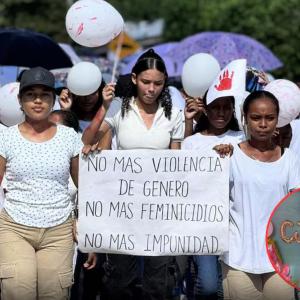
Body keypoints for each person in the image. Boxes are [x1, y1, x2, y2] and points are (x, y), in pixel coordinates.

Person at [82, 49, 200, 300]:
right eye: (146, 82)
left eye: (158, 83)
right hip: (122, 207)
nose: (151, 88)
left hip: (159, 208)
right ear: (134, 79)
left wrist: (189, 123)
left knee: (158, 281)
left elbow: (178, 160)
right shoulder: (117, 108)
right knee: (119, 279)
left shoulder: (174, 115)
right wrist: (103, 106)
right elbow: (87, 138)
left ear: (164, 83)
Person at [0, 67, 96, 300]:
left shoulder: (69, 137)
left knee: (54, 294)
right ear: (20, 100)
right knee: (18, 291)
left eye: (45, 95)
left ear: (53, 100)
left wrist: (90, 229)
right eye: (30, 94)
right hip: (14, 227)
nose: (38, 101)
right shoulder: (5, 137)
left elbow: (85, 187)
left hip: (59, 231)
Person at [221, 90, 300, 300]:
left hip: (280, 259)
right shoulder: (229, 155)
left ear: (277, 119)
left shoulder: (290, 159)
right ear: (245, 118)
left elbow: (295, 206)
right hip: (238, 258)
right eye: (256, 118)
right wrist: (215, 161)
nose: (263, 124)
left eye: (269, 118)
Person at [182, 94, 243, 300]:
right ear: (205, 109)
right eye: (215, 107)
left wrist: (234, 154)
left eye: (227, 107)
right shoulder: (191, 142)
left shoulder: (241, 138)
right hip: (203, 223)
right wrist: (188, 121)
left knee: (225, 285)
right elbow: (184, 180)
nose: (221, 112)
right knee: (208, 283)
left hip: (235, 222)